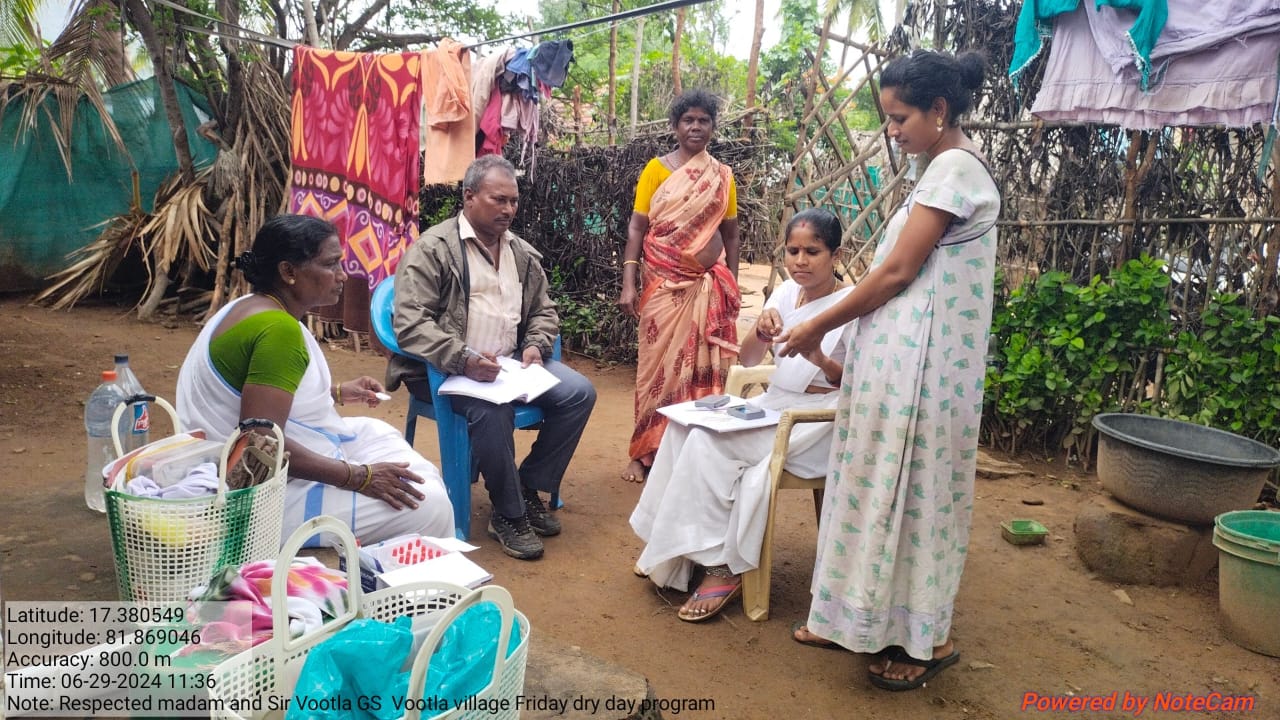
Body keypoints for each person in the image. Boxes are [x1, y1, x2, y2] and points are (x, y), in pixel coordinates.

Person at [778, 49, 999, 691]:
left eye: (901, 118)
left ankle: (928, 641)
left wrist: (816, 322)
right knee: (872, 485)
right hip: (901, 370)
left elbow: (897, 272)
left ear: (939, 109)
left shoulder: (955, 169)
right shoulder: (939, 168)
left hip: (928, 374)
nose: (892, 131)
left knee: (917, 496)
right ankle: (845, 614)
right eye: (886, 119)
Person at [630, 209, 854, 622]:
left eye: (813, 252)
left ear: (836, 256)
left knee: (708, 443)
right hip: (776, 403)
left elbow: (858, 383)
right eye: (793, 251)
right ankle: (671, 548)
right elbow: (749, 358)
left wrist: (820, 358)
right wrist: (761, 333)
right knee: (683, 430)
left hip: (819, 419)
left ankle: (724, 566)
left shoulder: (850, 305)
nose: (800, 261)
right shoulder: (787, 294)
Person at [177, 214, 455, 545]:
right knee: (431, 506)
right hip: (249, 499)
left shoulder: (248, 307)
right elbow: (260, 444)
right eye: (330, 264)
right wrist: (360, 477)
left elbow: (258, 392)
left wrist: (337, 391)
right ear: (288, 272)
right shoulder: (278, 331)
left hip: (229, 462)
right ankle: (412, 590)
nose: (342, 276)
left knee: (378, 430)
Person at [388, 155, 597, 561]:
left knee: (579, 393)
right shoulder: (433, 250)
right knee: (491, 411)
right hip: (447, 371)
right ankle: (508, 513)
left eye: (513, 201)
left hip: (511, 366)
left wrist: (535, 344)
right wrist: (463, 359)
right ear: (468, 197)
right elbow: (410, 324)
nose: (508, 209)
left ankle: (527, 484)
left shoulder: (519, 252)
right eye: (498, 199)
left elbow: (543, 311)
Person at [617, 89, 742, 484]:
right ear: (675, 126)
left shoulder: (722, 177)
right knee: (653, 371)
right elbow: (638, 227)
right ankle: (642, 452)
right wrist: (629, 282)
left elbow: (732, 235)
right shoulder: (656, 170)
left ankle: (691, 456)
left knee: (703, 371)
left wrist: (732, 285)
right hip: (661, 285)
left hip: (707, 287)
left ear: (712, 127)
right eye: (688, 120)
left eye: (703, 120)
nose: (695, 126)